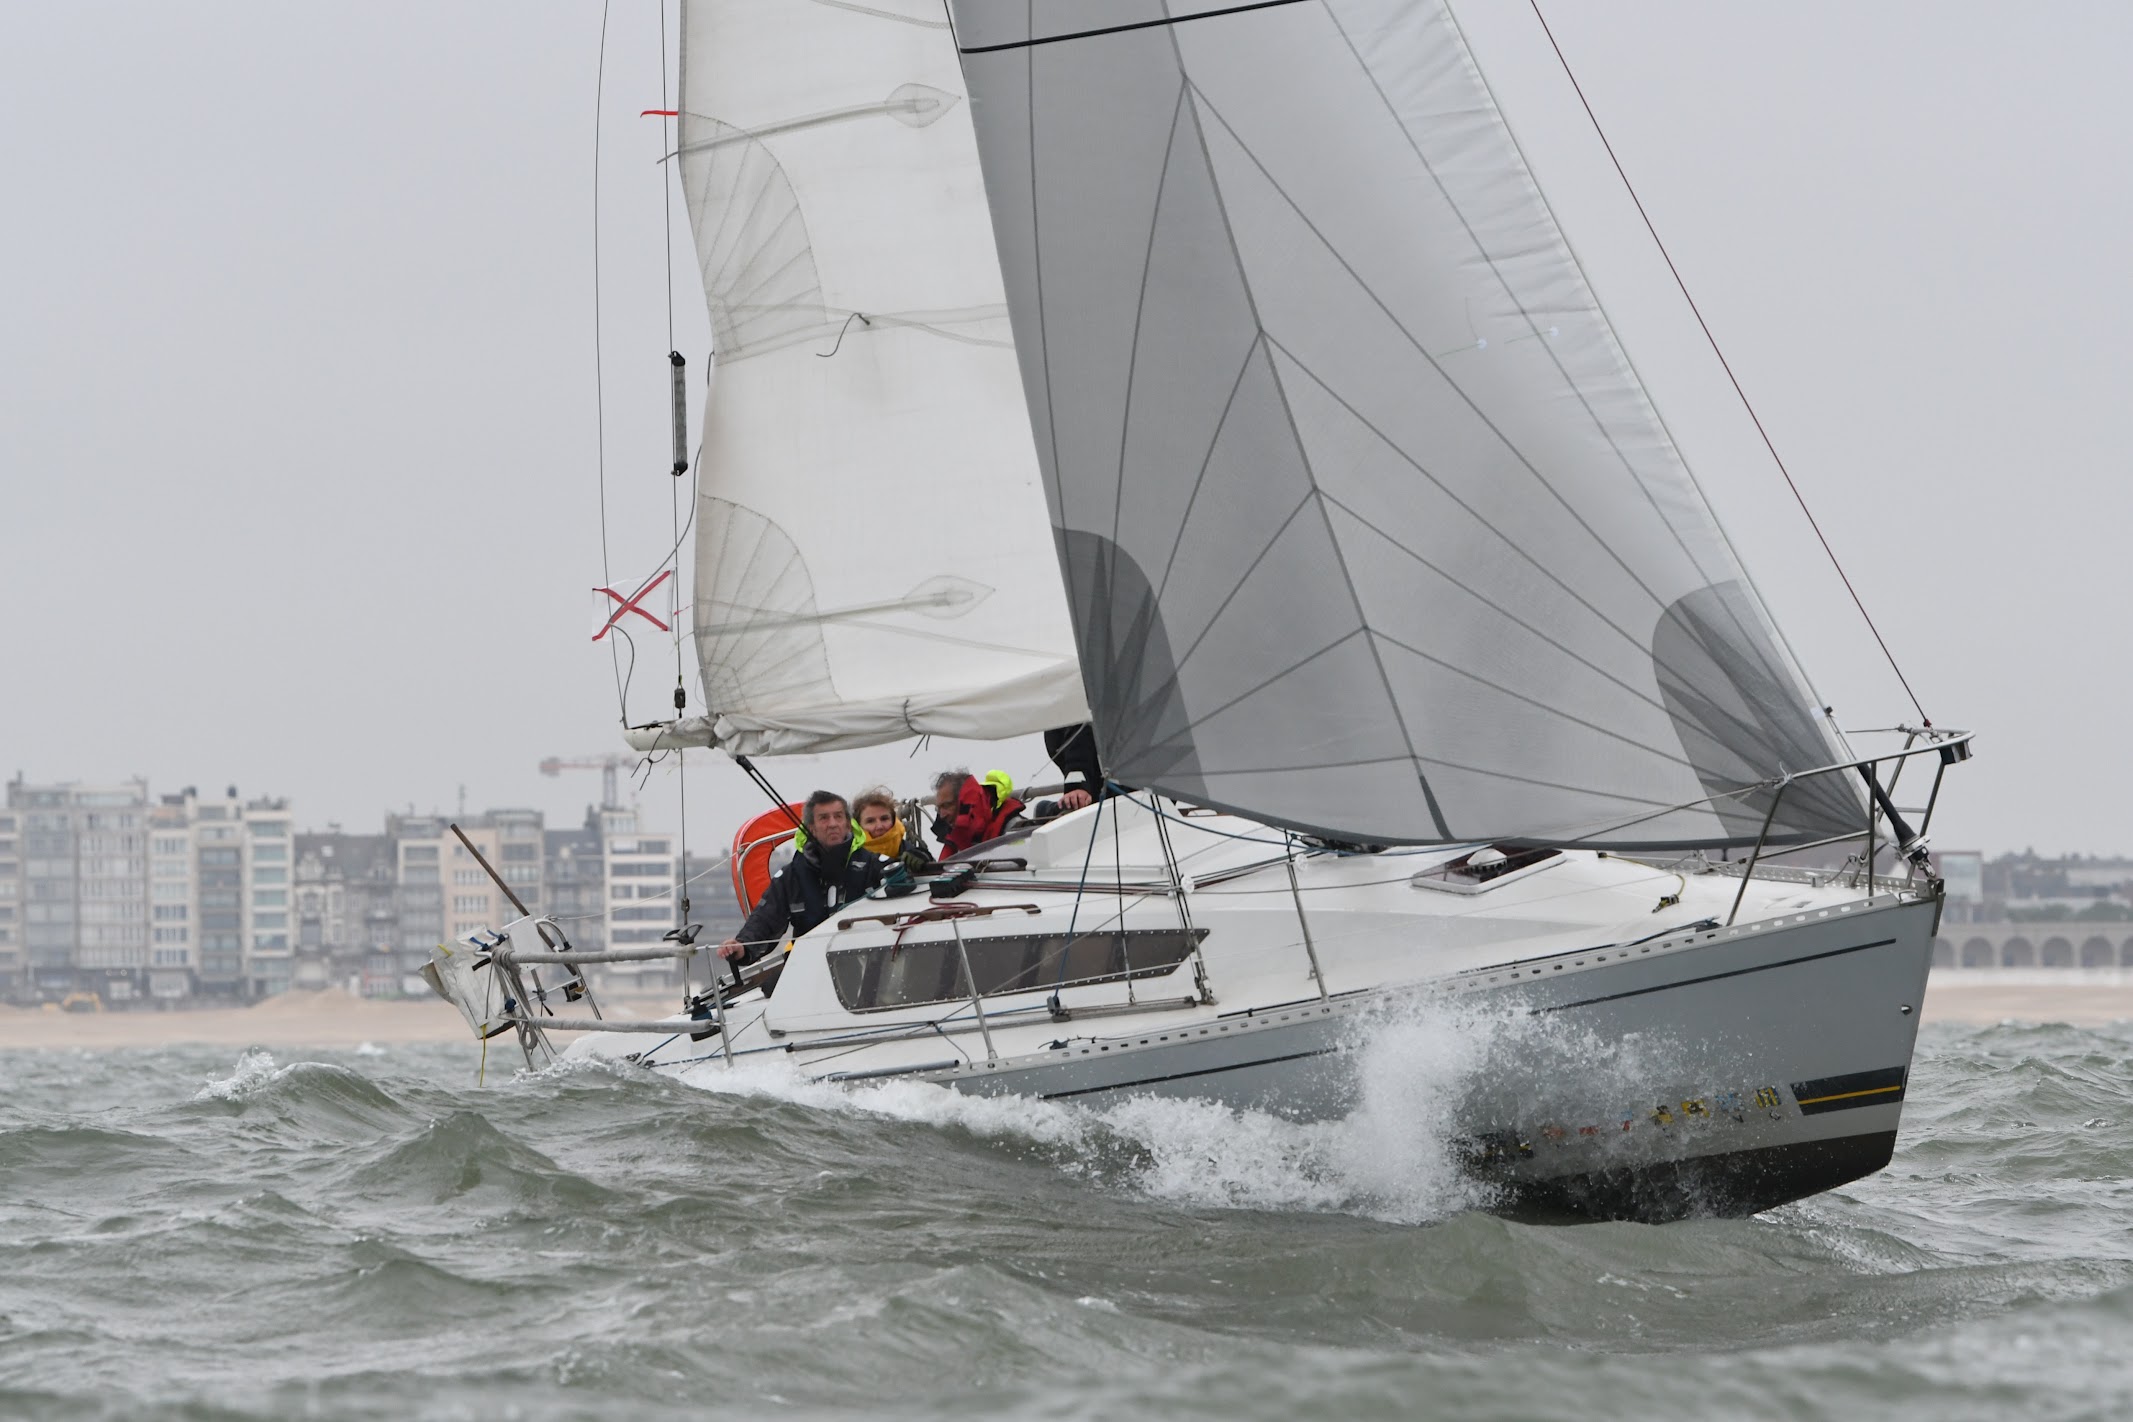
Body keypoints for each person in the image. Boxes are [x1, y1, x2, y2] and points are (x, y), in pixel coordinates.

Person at [718, 790, 915, 968]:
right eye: (824, 818)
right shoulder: (792, 876)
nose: (832, 824)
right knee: (771, 986)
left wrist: (916, 858)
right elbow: (766, 918)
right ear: (811, 828)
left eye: (838, 817)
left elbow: (907, 891)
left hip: (870, 963)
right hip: (811, 965)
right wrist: (743, 946)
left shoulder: (874, 865)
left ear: (848, 824)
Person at [931, 768, 1024, 860]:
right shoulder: (954, 837)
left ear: (964, 802)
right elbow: (941, 868)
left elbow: (1024, 863)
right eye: (939, 808)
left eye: (947, 805)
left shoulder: (1013, 827)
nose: (942, 815)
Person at [853, 786, 932, 876]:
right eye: (870, 821)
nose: (879, 826)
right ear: (858, 826)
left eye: (884, 819)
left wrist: (924, 857)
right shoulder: (850, 858)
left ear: (893, 820)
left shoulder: (908, 850)